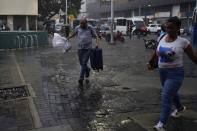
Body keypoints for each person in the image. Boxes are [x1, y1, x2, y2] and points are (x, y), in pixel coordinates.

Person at [147, 16, 197, 131]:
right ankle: (179, 108)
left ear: (178, 28)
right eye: (167, 27)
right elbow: (156, 52)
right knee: (172, 93)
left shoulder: (183, 42)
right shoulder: (162, 37)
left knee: (166, 95)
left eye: (171, 28)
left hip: (176, 74)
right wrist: (150, 62)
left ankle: (161, 124)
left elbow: (193, 57)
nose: (168, 30)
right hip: (162, 73)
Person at [68, 17, 99, 88]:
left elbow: (96, 36)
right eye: (81, 24)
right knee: (81, 63)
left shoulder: (90, 28)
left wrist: (97, 43)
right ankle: (87, 69)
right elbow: (74, 34)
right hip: (80, 48)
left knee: (84, 62)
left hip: (88, 49)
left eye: (83, 24)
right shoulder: (77, 27)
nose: (82, 25)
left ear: (86, 23)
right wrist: (68, 38)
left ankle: (81, 78)